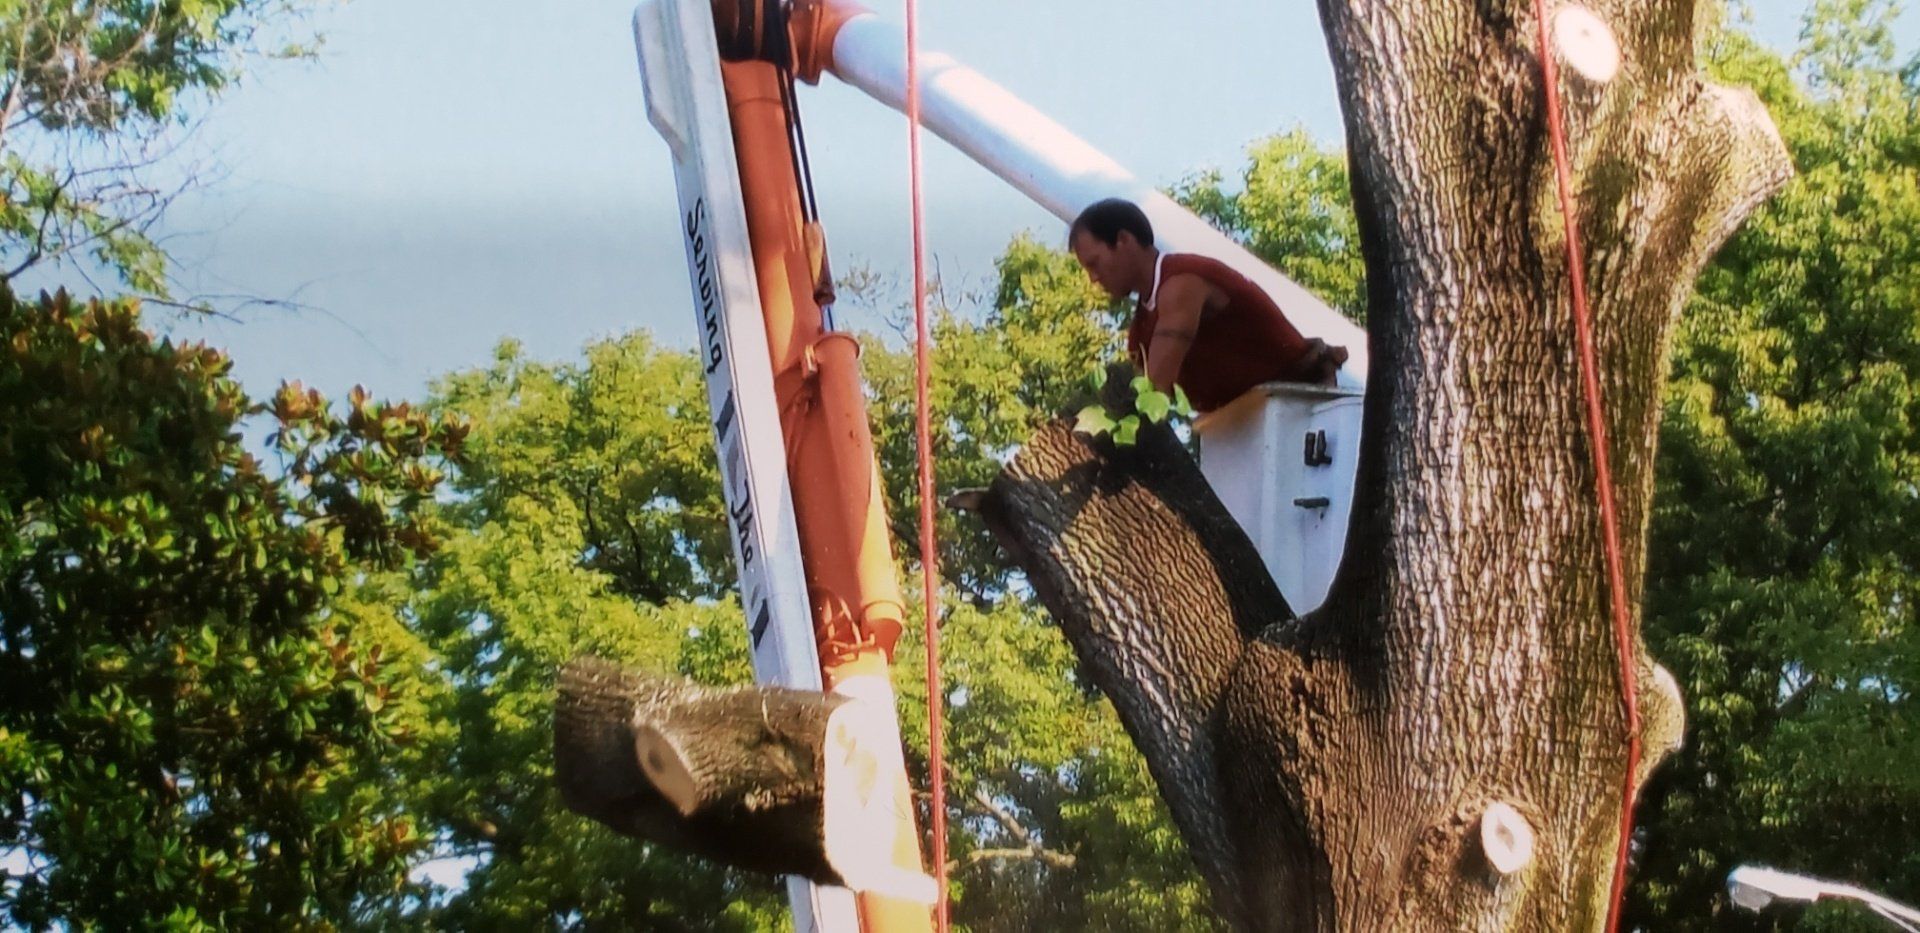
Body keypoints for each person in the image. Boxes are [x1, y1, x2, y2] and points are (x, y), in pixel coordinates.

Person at [1068, 197, 1347, 413]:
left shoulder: (1182, 282)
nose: (1093, 278)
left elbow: (1152, 396)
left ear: (1124, 240)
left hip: (1302, 410)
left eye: (1094, 263)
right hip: (1239, 429)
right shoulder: (1140, 333)